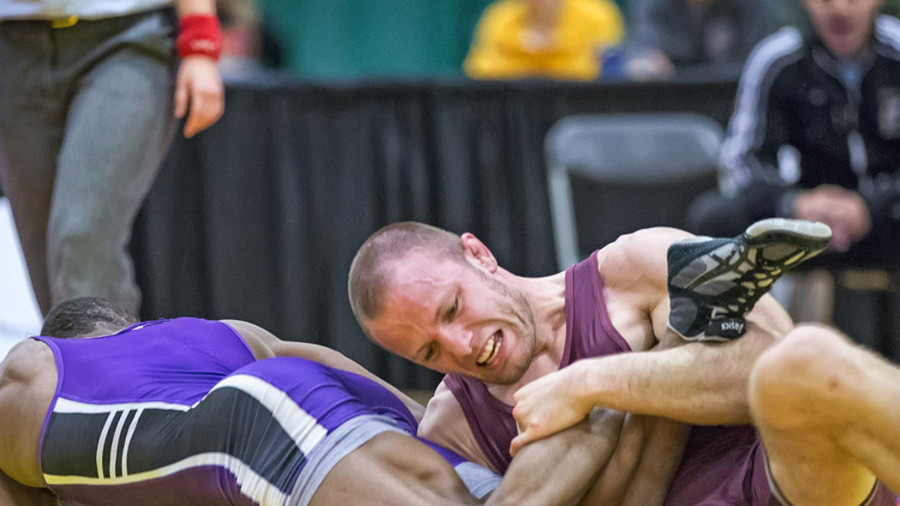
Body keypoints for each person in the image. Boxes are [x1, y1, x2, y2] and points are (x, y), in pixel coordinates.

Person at [348, 218, 892, 502]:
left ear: (480, 255)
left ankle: (685, 330)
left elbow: (771, 372)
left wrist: (588, 381)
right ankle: (686, 328)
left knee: (804, 365)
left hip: (786, 486)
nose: (462, 346)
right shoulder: (453, 428)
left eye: (453, 309)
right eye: (430, 352)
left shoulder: (632, 267)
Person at [0, 297, 643, 506]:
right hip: (316, 401)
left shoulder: (31, 369)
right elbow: (336, 371)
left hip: (249, 425)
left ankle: (620, 382)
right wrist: (420, 437)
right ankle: (631, 383)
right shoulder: (220, 330)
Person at [0, 0, 226, 318]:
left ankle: (107, 350)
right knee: (48, 272)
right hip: (12, 46)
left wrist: (200, 41)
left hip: (127, 36)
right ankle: (95, 348)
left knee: (82, 239)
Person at [689, 0, 900, 269]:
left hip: (887, 212)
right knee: (715, 216)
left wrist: (870, 207)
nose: (840, 9)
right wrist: (795, 204)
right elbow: (742, 161)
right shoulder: (776, 59)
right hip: (799, 220)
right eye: (826, 0)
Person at [463, 0, 625, 81]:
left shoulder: (597, 16)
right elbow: (479, 70)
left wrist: (545, 54)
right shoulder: (500, 17)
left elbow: (605, 69)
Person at [623, 0, 777, 81]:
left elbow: (757, 60)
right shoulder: (654, 4)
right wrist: (646, 61)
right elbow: (642, 47)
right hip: (671, 102)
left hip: (732, 98)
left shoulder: (750, 5)